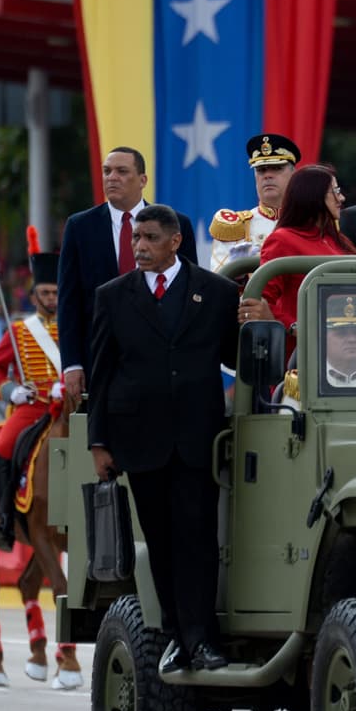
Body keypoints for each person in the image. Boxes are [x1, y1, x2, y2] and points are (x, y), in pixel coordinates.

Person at [87, 205, 239, 673]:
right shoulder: (114, 296)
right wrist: (99, 442)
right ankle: (175, 632)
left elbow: (235, 356)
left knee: (197, 538)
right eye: (136, 238)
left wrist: (260, 320)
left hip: (197, 437)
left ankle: (201, 639)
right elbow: (101, 370)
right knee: (161, 541)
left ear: (174, 242)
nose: (139, 247)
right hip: (141, 438)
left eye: (150, 238)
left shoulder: (216, 292)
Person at [57, 147, 196, 410]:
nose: (112, 178)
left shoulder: (177, 225)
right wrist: (72, 363)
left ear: (142, 180)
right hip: (99, 359)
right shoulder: (79, 227)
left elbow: (191, 294)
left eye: (122, 172)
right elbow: (69, 301)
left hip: (163, 358)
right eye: (107, 171)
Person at [0, 247, 63, 546]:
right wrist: (11, 391)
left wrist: (66, 384)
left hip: (69, 404)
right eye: (45, 292)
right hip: (33, 406)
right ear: (33, 296)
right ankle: (3, 516)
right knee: (3, 445)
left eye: (55, 292)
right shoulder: (18, 331)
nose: (51, 298)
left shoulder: (76, 327)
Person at [237, 165, 356, 347]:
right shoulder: (283, 239)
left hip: (348, 349)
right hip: (303, 355)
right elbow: (260, 303)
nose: (341, 198)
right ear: (313, 195)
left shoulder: (338, 239)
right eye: (335, 191)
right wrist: (294, 327)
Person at [208, 132, 300, 270]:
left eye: (276, 168)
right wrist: (237, 273)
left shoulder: (313, 222)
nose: (267, 175)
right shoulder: (236, 227)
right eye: (261, 170)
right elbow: (217, 283)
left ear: (294, 174)